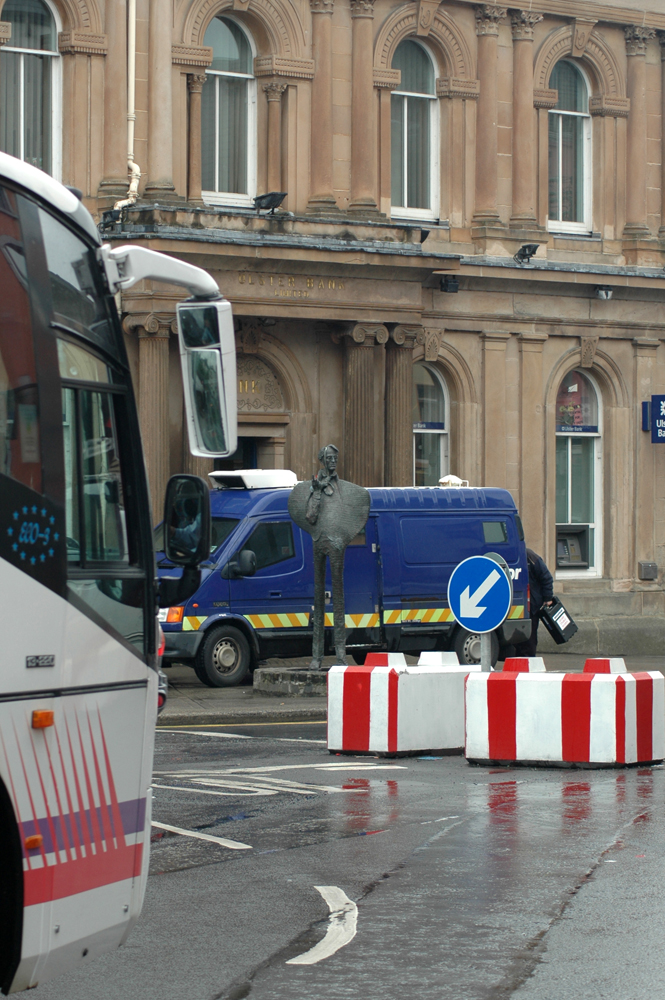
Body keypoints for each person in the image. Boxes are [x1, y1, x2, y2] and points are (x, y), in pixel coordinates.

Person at [514, 548, 554, 657]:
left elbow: (546, 578)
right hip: (520, 604)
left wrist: (548, 598)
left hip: (531, 606)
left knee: (529, 640)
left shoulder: (530, 557)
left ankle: (528, 662)